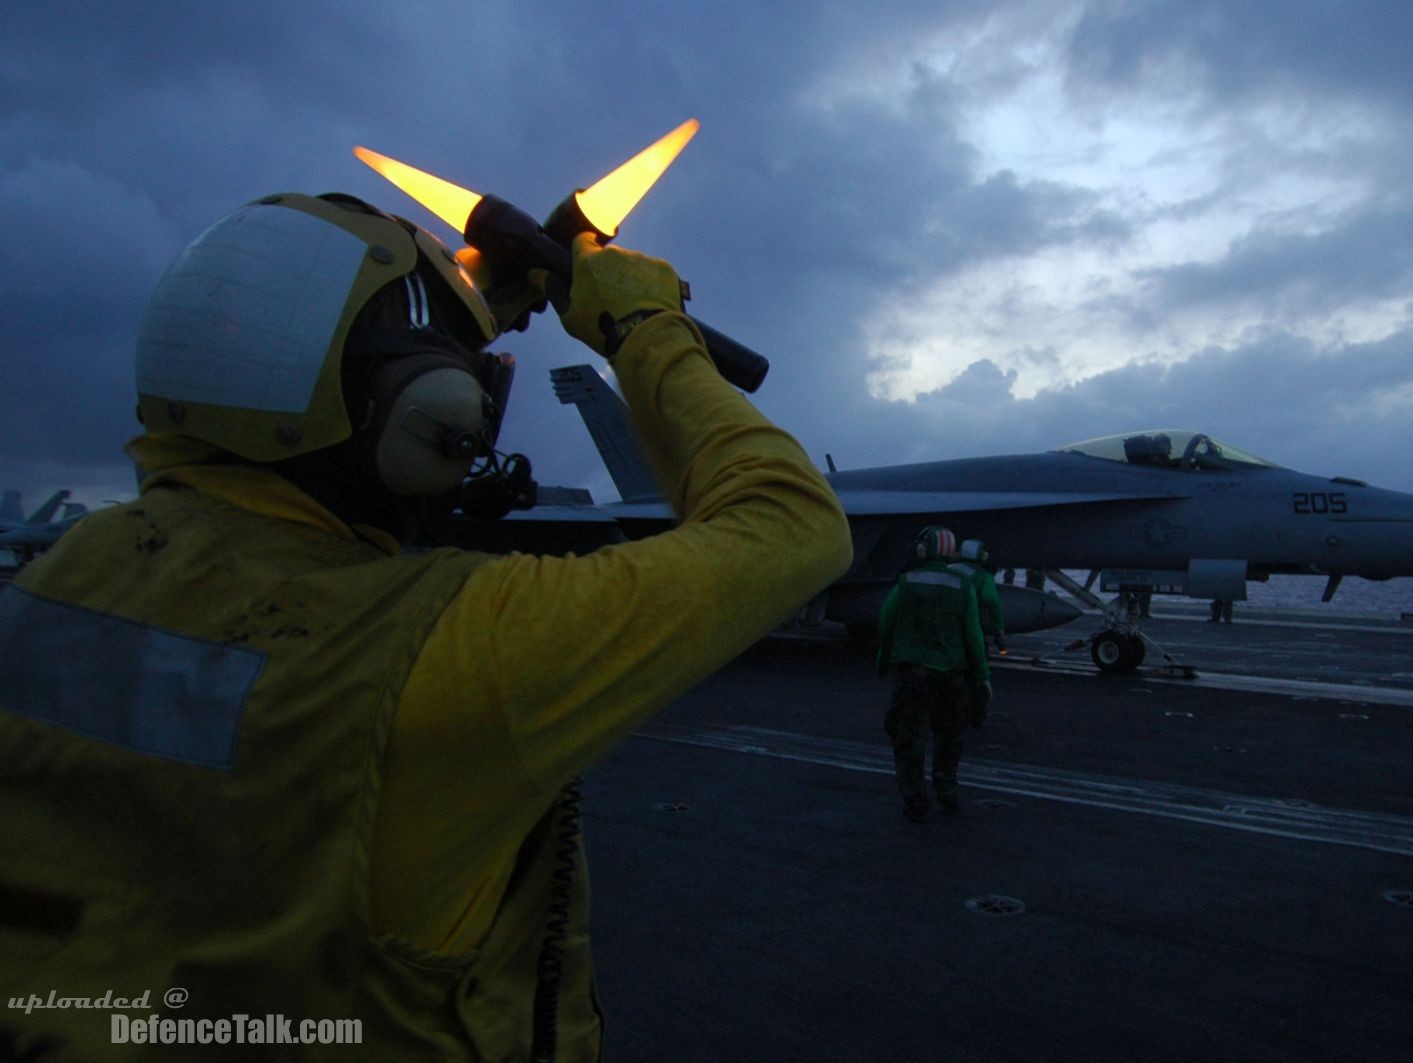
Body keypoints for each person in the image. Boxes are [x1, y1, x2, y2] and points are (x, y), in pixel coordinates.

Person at [0, 192, 851, 1060]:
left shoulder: (63, 576)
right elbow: (792, 524)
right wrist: (643, 323)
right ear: (425, 412)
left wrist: (485, 307)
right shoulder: (453, 638)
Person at [876, 526, 990, 820]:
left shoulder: (906, 581)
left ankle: (915, 800)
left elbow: (886, 622)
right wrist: (982, 676)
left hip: (913, 675)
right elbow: (974, 635)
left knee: (909, 738)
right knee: (951, 736)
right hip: (952, 675)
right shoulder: (962, 585)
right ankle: (946, 788)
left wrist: (882, 661)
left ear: (922, 549)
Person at [948, 538, 1006, 728]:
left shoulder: (948, 570)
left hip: (945, 632)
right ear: (982, 555)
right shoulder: (983, 576)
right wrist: (999, 626)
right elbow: (991, 600)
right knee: (977, 676)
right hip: (971, 632)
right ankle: (977, 715)